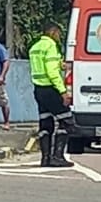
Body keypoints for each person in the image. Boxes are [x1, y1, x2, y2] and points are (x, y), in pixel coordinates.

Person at [28, 23, 73, 167]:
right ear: (53, 32)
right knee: (67, 121)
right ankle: (58, 157)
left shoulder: (35, 47)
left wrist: (60, 64)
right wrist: (63, 91)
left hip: (38, 90)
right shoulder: (51, 46)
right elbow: (52, 72)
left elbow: (45, 64)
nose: (59, 37)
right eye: (58, 34)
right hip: (51, 89)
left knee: (45, 123)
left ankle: (45, 158)